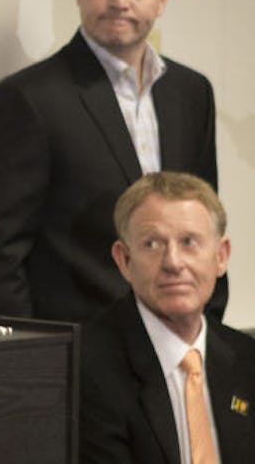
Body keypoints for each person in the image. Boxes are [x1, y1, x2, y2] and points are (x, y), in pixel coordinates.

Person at [0, 0, 225, 327]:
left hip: (176, 352)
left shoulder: (191, 93)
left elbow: (206, 225)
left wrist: (208, 334)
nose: (119, 0)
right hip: (80, 361)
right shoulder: (28, 100)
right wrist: (29, 370)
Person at [80, 172, 255, 462]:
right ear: (124, 260)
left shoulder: (247, 358)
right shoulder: (88, 370)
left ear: (221, 256)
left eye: (189, 242)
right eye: (153, 244)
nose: (173, 262)